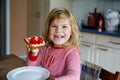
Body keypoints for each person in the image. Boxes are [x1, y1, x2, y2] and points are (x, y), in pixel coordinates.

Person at [26, 8, 81, 80]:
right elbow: (31, 67)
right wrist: (34, 54)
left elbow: (74, 76)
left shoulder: (72, 52)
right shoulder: (46, 48)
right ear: (48, 29)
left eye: (64, 26)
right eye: (54, 26)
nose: (58, 30)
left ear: (72, 32)